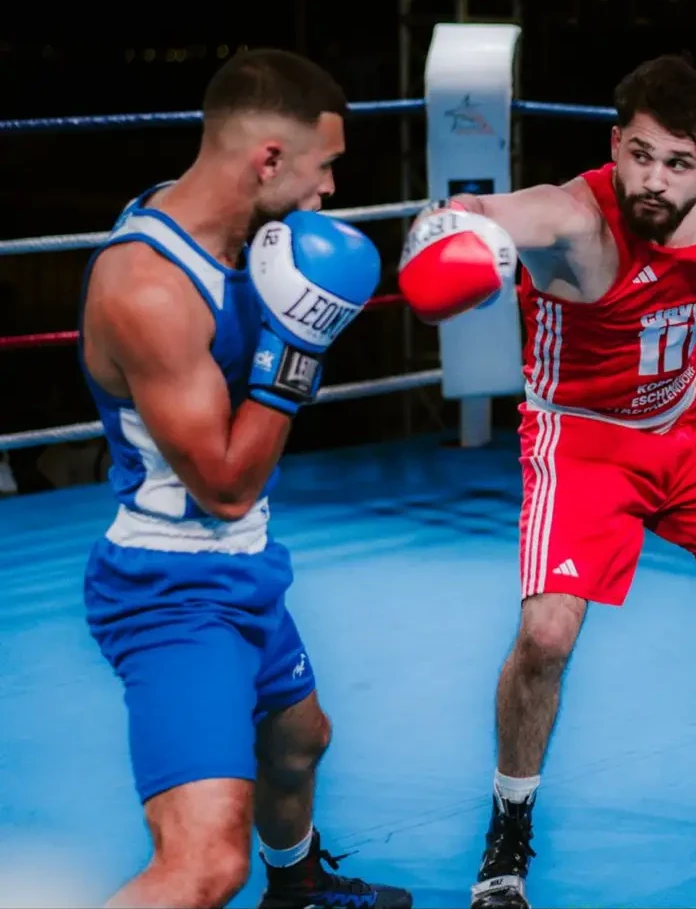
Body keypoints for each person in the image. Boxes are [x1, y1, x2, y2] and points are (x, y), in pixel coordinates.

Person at [398, 54, 696, 909]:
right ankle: (507, 838)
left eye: (679, 164)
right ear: (616, 145)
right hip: (580, 443)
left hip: (685, 427)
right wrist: (453, 229)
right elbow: (480, 212)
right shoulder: (571, 217)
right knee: (545, 637)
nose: (654, 180)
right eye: (641, 155)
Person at [79, 48, 412, 909]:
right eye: (324, 167)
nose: (328, 192)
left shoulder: (234, 239)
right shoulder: (149, 287)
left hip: (245, 566)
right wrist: (295, 353)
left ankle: (298, 892)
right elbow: (225, 484)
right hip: (173, 588)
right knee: (202, 867)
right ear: (268, 159)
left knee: (299, 741)